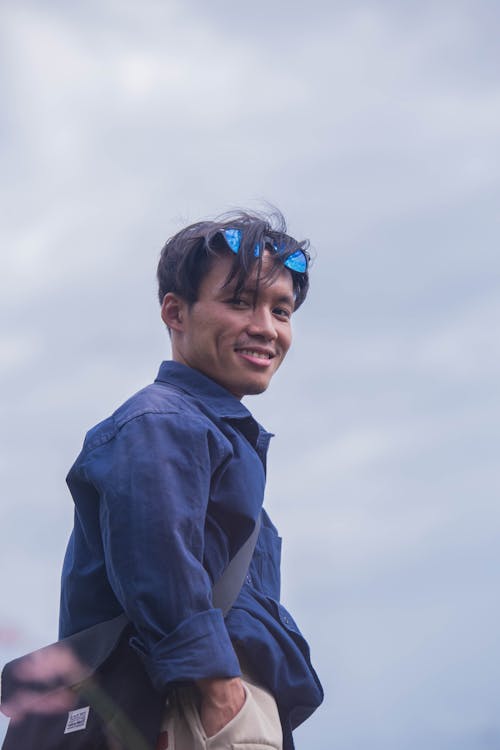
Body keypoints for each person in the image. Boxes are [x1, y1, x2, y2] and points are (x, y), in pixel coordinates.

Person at [59, 210, 323, 750]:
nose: (266, 328)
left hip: (206, 705)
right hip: (190, 708)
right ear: (175, 313)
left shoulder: (207, 432)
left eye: (281, 310)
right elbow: (158, 564)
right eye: (239, 302)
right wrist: (220, 696)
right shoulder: (162, 423)